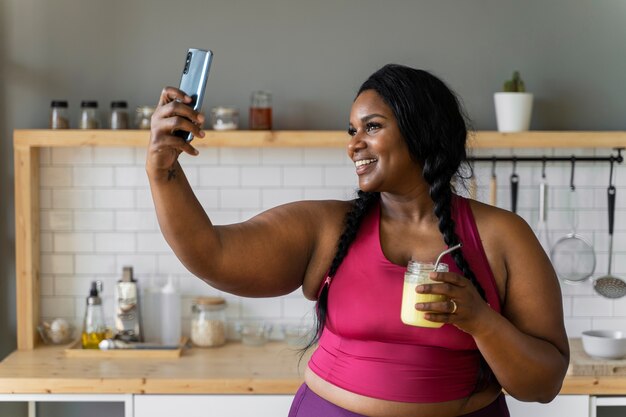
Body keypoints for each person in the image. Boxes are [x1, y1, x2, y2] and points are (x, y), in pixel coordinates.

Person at [146, 64, 569, 417]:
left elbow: (543, 384)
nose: (354, 145)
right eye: (351, 130)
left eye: (372, 126)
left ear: (422, 132)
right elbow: (211, 254)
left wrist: (480, 320)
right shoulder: (328, 227)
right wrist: (162, 171)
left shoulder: (502, 236)